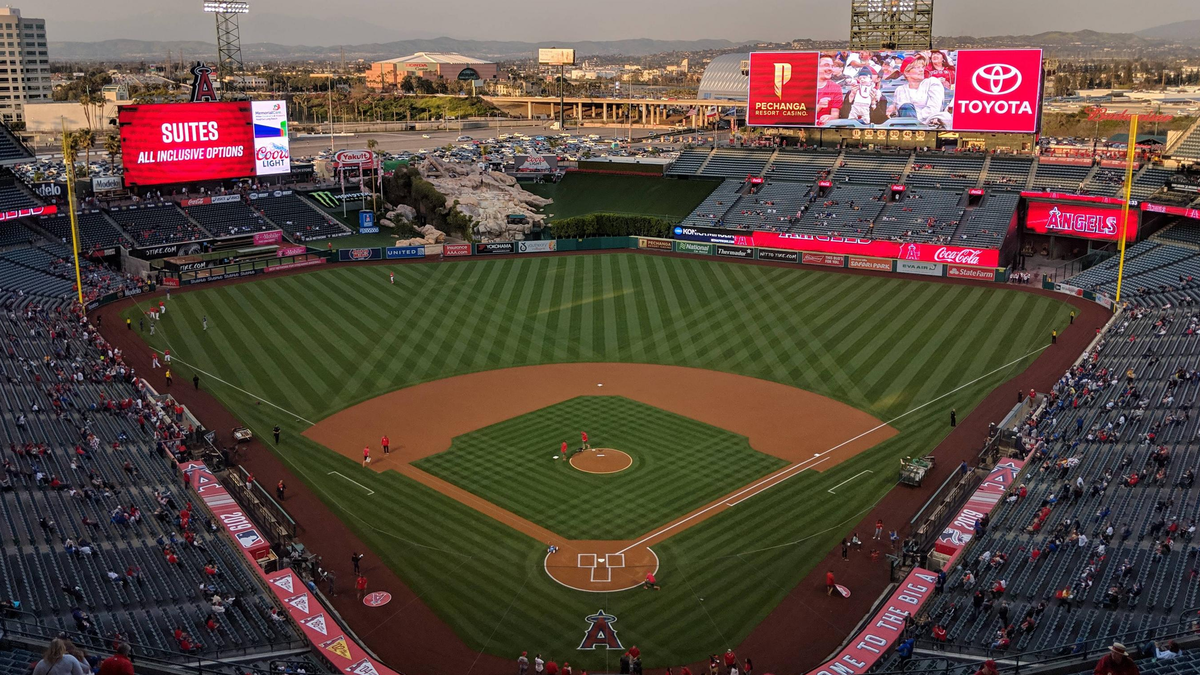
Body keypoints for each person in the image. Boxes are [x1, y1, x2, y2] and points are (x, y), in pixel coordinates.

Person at [887, 55, 950, 126]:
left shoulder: (932, 82)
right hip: (905, 124)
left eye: (922, 67)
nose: (921, 70)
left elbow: (934, 109)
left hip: (929, 124)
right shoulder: (900, 90)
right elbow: (902, 111)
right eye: (917, 67)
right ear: (907, 72)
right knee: (906, 107)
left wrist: (916, 120)